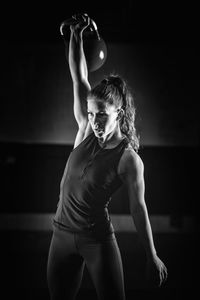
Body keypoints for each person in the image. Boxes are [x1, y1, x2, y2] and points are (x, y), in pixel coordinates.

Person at [47, 13, 168, 300]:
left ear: (119, 114)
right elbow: (79, 76)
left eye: (101, 114)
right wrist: (76, 35)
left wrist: (151, 255)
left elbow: (139, 208)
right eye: (90, 114)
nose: (95, 121)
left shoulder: (128, 159)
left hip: (97, 240)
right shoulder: (86, 130)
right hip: (60, 236)